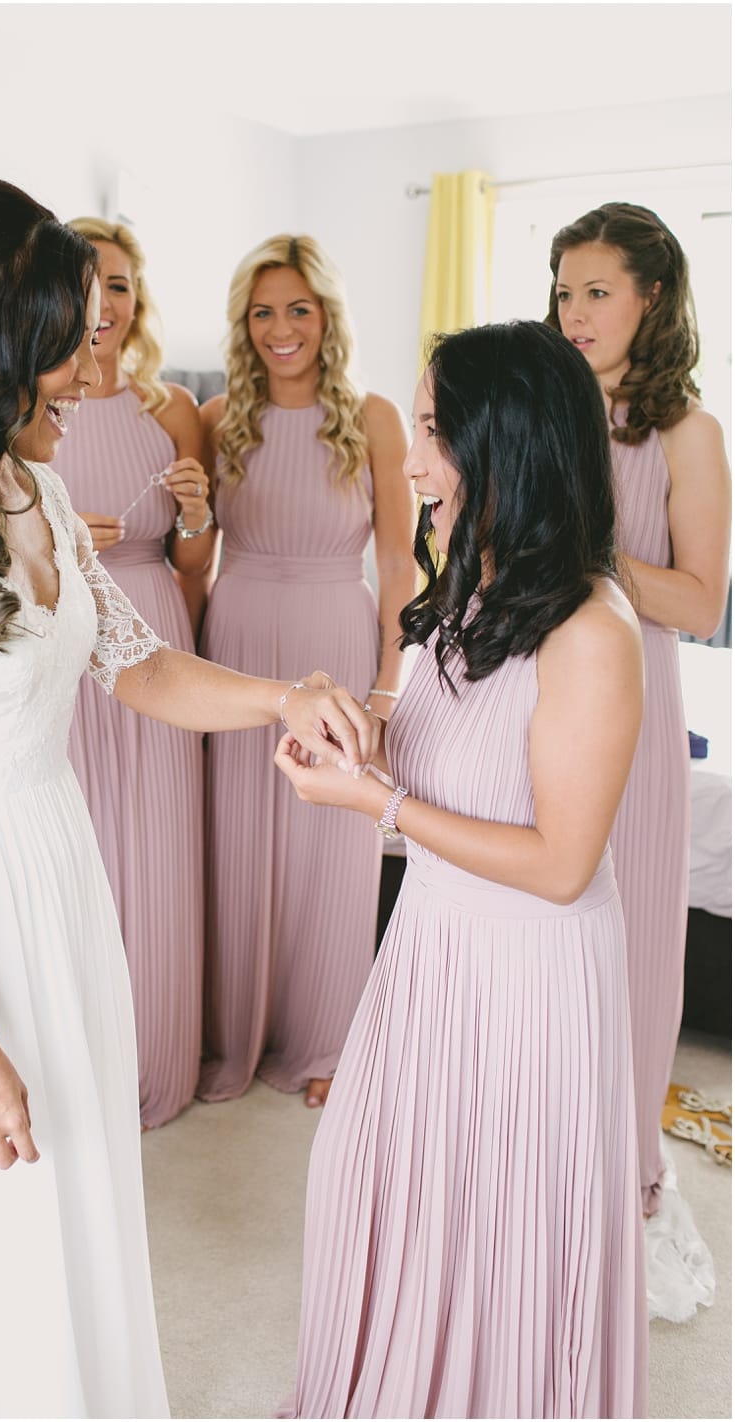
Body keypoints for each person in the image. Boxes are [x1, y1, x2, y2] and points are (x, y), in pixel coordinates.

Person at [0, 176, 378, 1420]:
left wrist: (280, 699)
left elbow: (141, 664)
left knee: (75, 1202)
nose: (86, 356)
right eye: (59, 335)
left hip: (59, 881)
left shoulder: (34, 486)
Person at [274, 321, 647, 1418]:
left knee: (494, 1230)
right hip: (432, 949)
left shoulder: (590, 628)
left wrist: (375, 804)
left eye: (434, 432)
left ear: (510, 443)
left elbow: (560, 864)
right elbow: (447, 755)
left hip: (525, 974)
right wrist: (354, 733)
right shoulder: (469, 586)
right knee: (370, 1187)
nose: (410, 462)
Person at [197, 234, 417, 1108]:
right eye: (262, 312)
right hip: (239, 637)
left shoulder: (375, 418)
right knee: (239, 838)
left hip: (336, 631)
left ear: (327, 316)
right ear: (242, 325)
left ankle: (329, 1040)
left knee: (333, 846)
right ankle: (232, 1033)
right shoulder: (217, 422)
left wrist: (389, 685)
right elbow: (190, 559)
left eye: (298, 308)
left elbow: (401, 568)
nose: (280, 329)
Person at [546, 201, 731, 1216]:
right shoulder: (545, 408)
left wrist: (582, 555)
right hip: (533, 687)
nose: (574, 312)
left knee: (631, 928)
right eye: (564, 291)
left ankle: (616, 1160)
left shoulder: (685, 434)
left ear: (651, 296)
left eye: (597, 292)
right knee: (542, 916)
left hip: (635, 693)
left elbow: (701, 602)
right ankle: (540, 1131)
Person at [52, 218, 212, 1129]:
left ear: (136, 298)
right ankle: (85, 1065)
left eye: (117, 285)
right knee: (90, 856)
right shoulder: (25, 402)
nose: (102, 305)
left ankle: (158, 1058)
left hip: (158, 631)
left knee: (159, 856)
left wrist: (194, 517)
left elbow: (195, 571)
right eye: (84, 285)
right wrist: (68, 547)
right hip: (69, 651)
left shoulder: (172, 410)